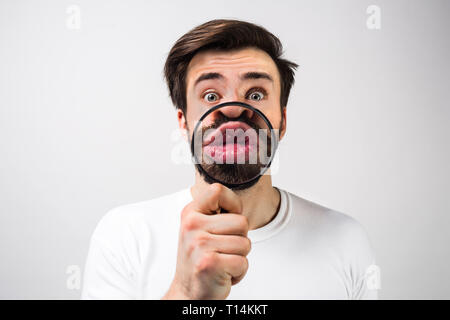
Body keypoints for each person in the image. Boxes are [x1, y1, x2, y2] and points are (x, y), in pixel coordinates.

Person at [81, 19, 379, 300]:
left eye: (256, 94)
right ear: (184, 124)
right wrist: (185, 293)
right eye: (210, 96)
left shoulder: (345, 239)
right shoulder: (124, 234)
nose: (234, 110)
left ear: (282, 122)